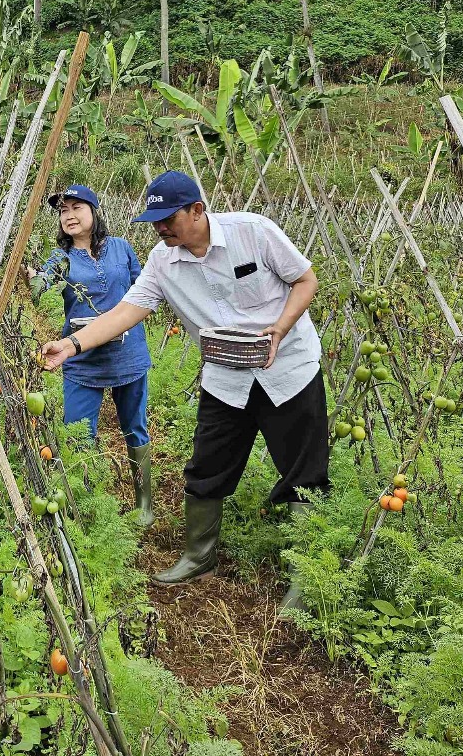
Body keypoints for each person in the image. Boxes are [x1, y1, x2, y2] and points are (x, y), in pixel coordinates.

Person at [40, 171, 327, 609]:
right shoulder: (162, 260)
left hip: (288, 369)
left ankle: (307, 580)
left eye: (168, 218)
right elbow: (127, 311)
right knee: (207, 466)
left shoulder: (254, 232)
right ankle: (199, 556)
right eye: (153, 220)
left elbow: (306, 280)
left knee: (302, 474)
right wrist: (72, 344)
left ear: (197, 210)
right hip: (226, 378)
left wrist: (280, 328)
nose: (160, 228)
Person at [30, 185, 155, 527]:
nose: (68, 215)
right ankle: (86, 501)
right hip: (82, 358)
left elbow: (143, 291)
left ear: (94, 211)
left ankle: (144, 504)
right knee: (78, 432)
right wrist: (34, 280)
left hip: (128, 353)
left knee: (135, 428)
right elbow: (40, 287)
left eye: (76, 208)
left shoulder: (121, 248)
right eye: (62, 210)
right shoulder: (61, 258)